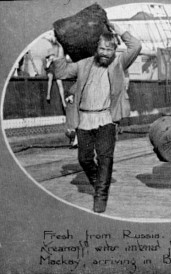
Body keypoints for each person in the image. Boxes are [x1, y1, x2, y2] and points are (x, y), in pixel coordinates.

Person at [53, 22, 142, 213]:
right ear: (96, 48)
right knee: (84, 159)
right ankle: (97, 183)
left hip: (107, 119)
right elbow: (60, 72)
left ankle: (101, 196)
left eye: (109, 50)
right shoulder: (84, 64)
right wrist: (61, 48)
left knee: (105, 158)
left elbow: (136, 46)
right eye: (101, 48)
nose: (105, 53)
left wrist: (119, 31)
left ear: (114, 51)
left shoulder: (119, 63)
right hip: (84, 119)